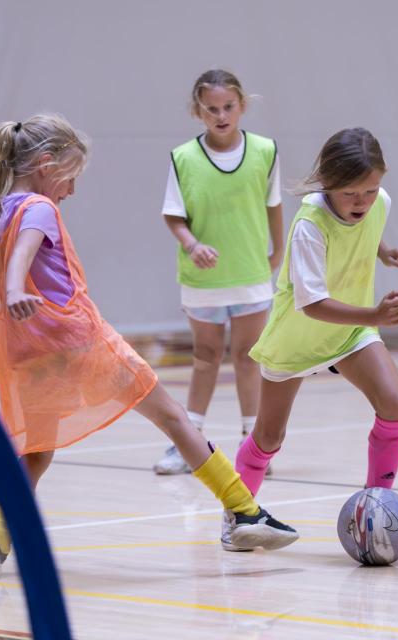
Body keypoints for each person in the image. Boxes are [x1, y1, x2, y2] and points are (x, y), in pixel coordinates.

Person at [0, 114, 297, 578]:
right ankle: (244, 511)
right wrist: (18, 286)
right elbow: (23, 252)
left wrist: (18, 290)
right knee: (173, 417)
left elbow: (15, 255)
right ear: (44, 165)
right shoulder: (39, 209)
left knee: (36, 451)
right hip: (80, 343)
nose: (72, 190)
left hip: (32, 353)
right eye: (71, 176)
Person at [228, 127, 398, 551]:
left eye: (370, 191)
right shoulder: (308, 226)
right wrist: (376, 314)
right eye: (351, 194)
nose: (362, 202)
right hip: (298, 339)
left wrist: (385, 251)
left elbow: (364, 231)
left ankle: (374, 507)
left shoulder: (378, 204)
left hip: (349, 333)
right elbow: (312, 304)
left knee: (395, 403)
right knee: (268, 438)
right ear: (328, 182)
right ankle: (237, 514)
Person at [154, 69, 284, 476]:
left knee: (249, 359)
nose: (221, 115)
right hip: (203, 281)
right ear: (198, 112)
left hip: (250, 275)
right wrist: (192, 244)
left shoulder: (265, 151)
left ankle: (254, 445)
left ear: (242, 106)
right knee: (206, 357)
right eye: (212, 109)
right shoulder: (183, 157)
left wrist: (277, 252)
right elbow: (173, 217)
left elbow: (274, 206)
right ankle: (188, 444)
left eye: (229, 107)